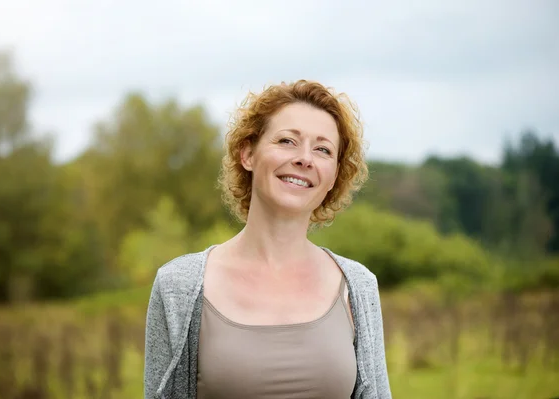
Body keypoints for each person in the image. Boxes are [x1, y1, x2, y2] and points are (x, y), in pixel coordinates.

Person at [144, 80, 392, 399]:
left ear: (333, 176)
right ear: (248, 153)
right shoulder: (177, 286)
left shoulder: (358, 286)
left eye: (323, 149)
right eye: (287, 141)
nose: (305, 158)